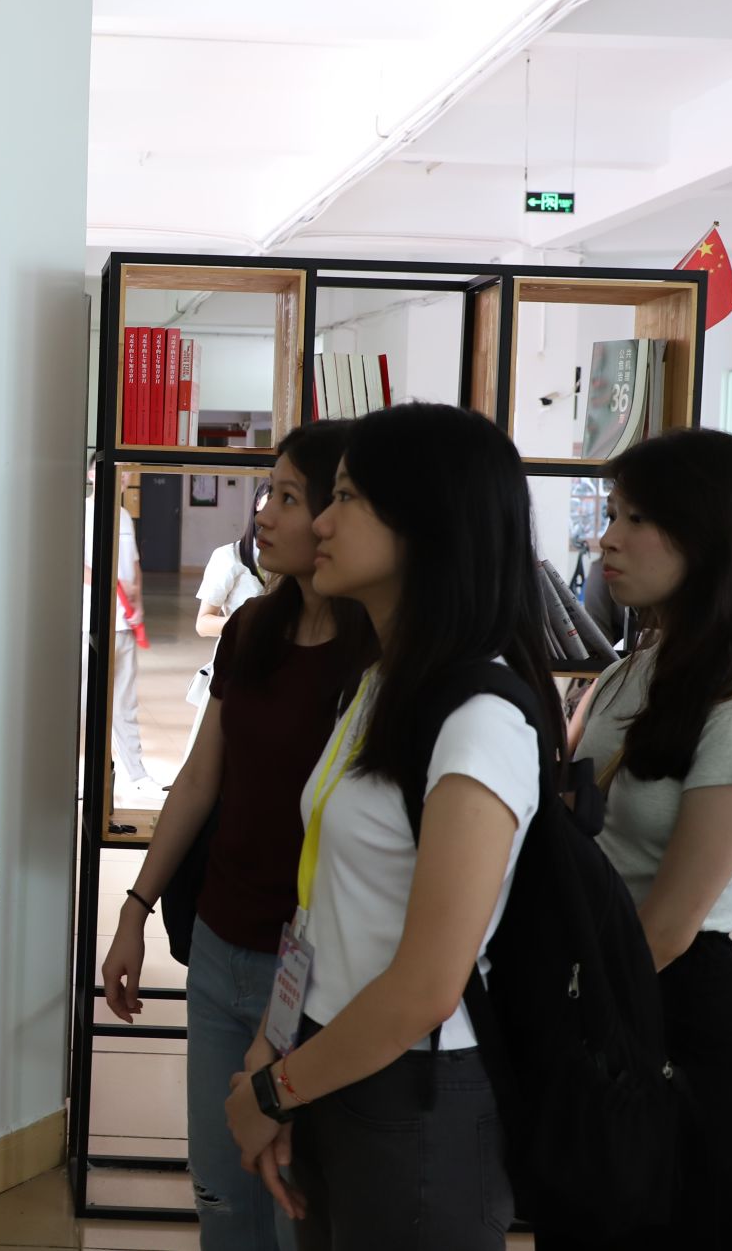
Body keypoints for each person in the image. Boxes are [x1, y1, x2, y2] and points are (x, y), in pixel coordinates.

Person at [221, 403, 558, 1250]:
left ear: (426, 525)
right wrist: (272, 1050)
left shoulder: (478, 718)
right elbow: (326, 904)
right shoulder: (378, 681)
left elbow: (425, 986)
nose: (319, 523)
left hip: (413, 1090)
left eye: (346, 498)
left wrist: (274, 1091)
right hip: (331, 1060)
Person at [101, 423, 371, 1251]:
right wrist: (135, 908)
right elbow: (198, 780)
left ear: (338, 515)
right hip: (221, 946)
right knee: (220, 1190)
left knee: (293, 1204)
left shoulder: (373, 660)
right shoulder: (251, 628)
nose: (264, 513)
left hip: (317, 969)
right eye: (267, 492)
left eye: (288, 496)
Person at [562, 429, 732, 1247]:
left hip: (663, 1006)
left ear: (709, 538)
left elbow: (668, 927)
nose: (609, 538)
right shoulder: (630, 670)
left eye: (637, 519)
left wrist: (563, 1005)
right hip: (602, 982)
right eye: (611, 514)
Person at [85, 465, 161, 805]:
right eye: (118, 471)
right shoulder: (84, 512)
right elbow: (79, 563)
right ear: (91, 475)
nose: (123, 477)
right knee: (84, 702)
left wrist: (137, 603)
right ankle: (78, 775)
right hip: (91, 623)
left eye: (127, 472)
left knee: (125, 702)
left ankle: (137, 775)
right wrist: (110, 587)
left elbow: (134, 567)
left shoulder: (124, 516)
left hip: (124, 623)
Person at [181, 494, 272, 763]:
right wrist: (254, 623)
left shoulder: (297, 561)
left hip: (281, 669)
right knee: (218, 756)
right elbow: (203, 623)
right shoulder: (229, 557)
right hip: (237, 667)